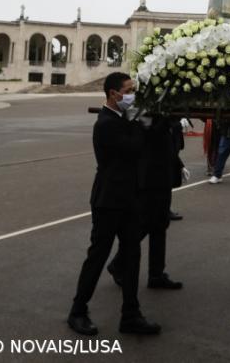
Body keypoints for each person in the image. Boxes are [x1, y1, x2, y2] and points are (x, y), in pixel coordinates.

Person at [68, 72, 161, 336]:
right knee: (97, 257)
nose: (132, 94)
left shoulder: (123, 117)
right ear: (113, 94)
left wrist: (147, 120)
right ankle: (77, 311)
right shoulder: (106, 123)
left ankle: (130, 315)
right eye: (128, 90)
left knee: (132, 256)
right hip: (109, 200)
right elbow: (135, 147)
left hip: (129, 198)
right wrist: (142, 121)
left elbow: (146, 132)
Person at [108, 114, 184, 291]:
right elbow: (152, 133)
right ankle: (119, 263)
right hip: (150, 176)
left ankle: (156, 274)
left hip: (162, 172)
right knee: (145, 224)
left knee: (160, 224)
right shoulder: (146, 113)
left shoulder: (161, 113)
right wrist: (169, 116)